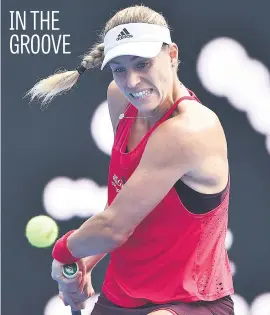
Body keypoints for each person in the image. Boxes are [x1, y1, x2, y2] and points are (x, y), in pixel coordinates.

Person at [27, 5, 235, 315]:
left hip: (190, 302)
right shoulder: (120, 99)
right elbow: (127, 206)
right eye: (119, 68)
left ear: (172, 55)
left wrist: (64, 252)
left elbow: (114, 227)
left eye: (143, 64)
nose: (132, 81)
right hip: (121, 296)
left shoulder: (188, 130)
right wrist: (86, 258)